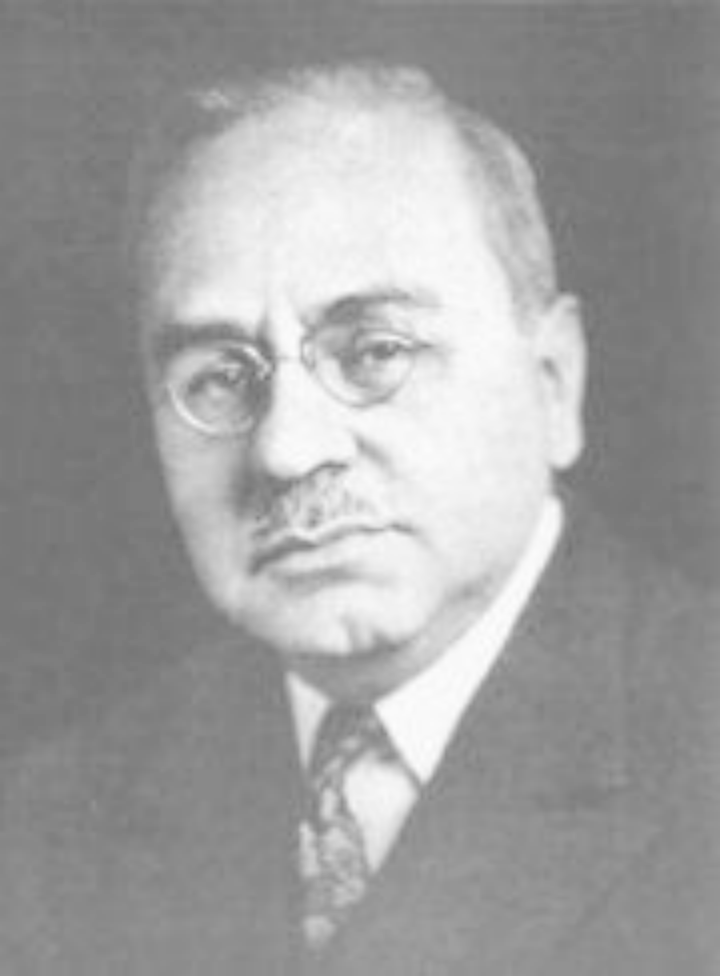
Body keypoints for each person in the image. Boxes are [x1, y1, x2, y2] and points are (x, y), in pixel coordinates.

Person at [0, 62, 716, 975]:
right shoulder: (43, 830)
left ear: (553, 382)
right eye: (219, 378)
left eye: (376, 351)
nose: (285, 450)